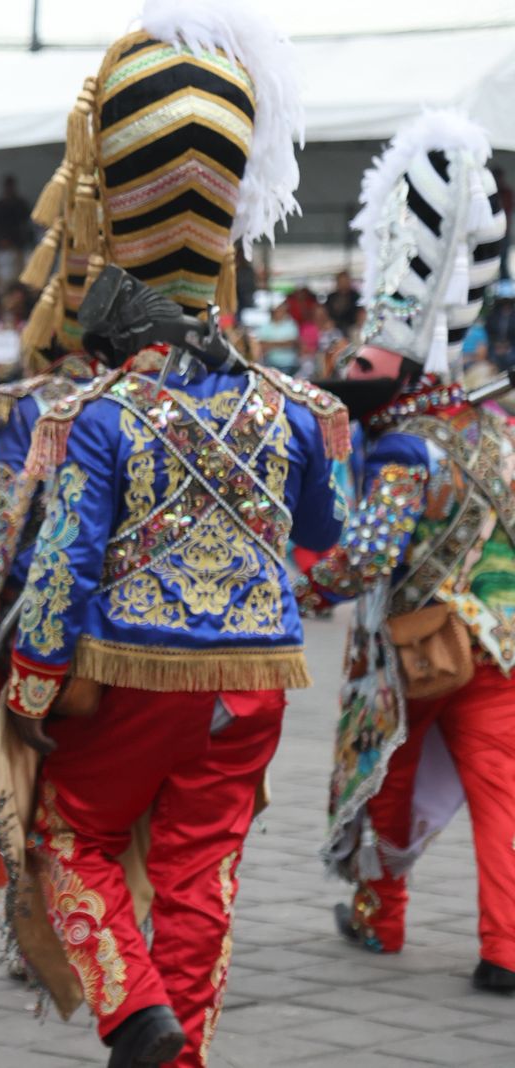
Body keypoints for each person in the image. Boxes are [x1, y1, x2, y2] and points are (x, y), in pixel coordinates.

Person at [0, 7, 342, 1065]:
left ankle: (134, 1013)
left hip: (132, 672)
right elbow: (321, 536)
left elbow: (61, 570)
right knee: (200, 874)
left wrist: (30, 689)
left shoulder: (95, 416)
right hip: (256, 680)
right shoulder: (300, 409)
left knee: (67, 839)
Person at [300, 112, 513, 996]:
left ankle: (380, 916)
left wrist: (307, 589)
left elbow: (365, 556)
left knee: (383, 776)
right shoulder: (494, 434)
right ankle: (505, 947)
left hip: (417, 649)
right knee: (502, 796)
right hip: (500, 642)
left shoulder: (403, 451)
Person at [0, 175, 32, 249]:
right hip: (1, 240)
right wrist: (0, 238)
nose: (9, 189)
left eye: (11, 186)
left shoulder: (21, 204)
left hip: (18, 240)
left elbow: (27, 222)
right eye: (7, 186)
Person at [325, 270, 362, 336]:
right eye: (341, 281)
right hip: (334, 328)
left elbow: (359, 313)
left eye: (345, 281)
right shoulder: (331, 297)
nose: (343, 284)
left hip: (351, 327)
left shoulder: (355, 296)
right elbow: (327, 313)